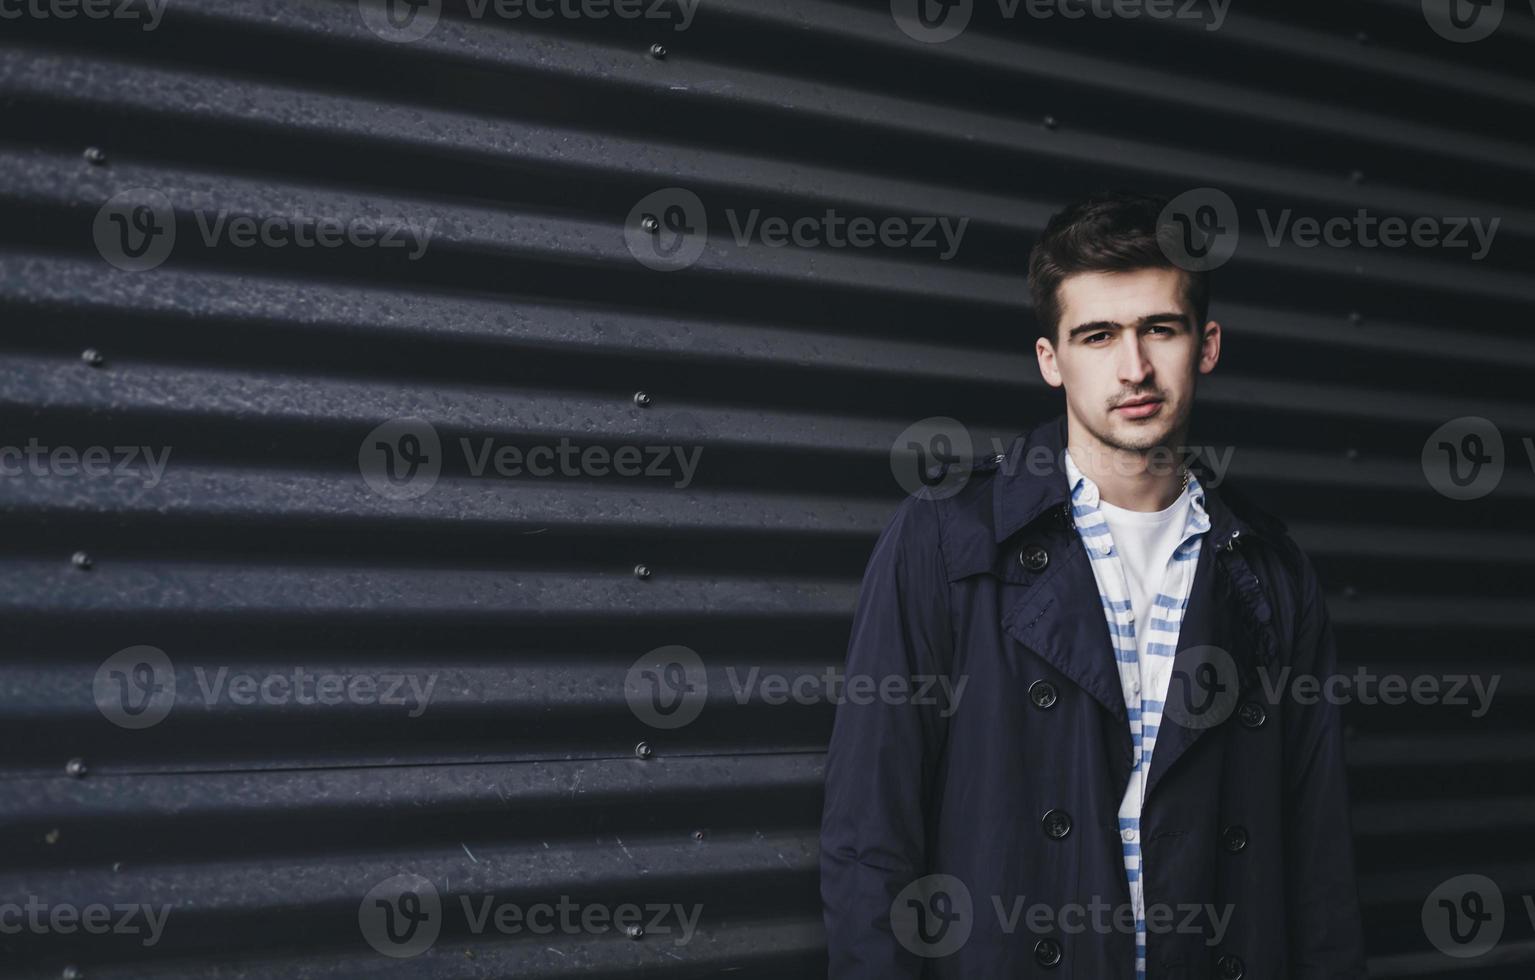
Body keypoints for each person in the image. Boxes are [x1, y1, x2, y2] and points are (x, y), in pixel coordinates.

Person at [819, 190, 1367, 980]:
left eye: (1159, 329)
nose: (1133, 367)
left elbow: (1318, 865)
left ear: (1204, 345)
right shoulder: (947, 539)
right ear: (1051, 360)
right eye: (1097, 335)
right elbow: (869, 837)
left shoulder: (1270, 569)